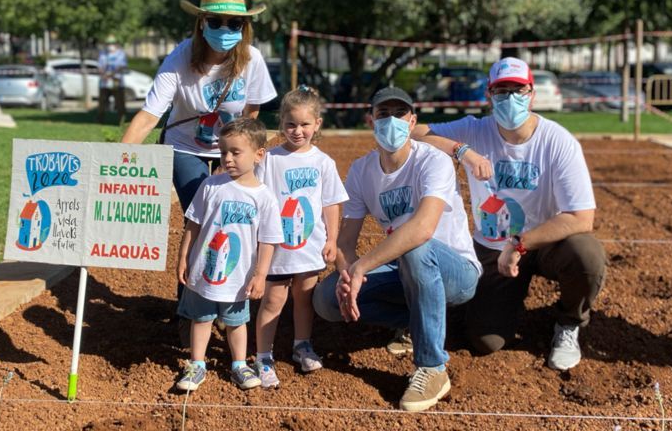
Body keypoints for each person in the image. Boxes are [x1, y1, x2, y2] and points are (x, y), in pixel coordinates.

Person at [410, 57, 605, 371]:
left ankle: (569, 322)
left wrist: (520, 243)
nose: (510, 98)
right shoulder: (475, 130)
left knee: (586, 255)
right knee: (486, 342)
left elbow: (582, 217)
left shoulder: (557, 141)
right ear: (488, 96)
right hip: (492, 246)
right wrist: (463, 151)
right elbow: (415, 134)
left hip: (544, 243)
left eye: (518, 90)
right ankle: (496, 307)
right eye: (501, 91)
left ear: (532, 94)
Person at [121, 0, 277, 335]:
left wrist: (235, 159)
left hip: (232, 149)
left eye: (234, 25)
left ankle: (227, 301)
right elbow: (149, 115)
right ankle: (192, 310)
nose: (226, 31)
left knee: (235, 216)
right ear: (202, 22)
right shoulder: (180, 58)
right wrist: (116, 157)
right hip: (184, 148)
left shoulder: (251, 59)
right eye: (217, 22)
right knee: (206, 213)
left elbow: (250, 115)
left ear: (244, 28)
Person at [313, 87, 480, 412]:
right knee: (326, 299)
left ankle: (432, 367)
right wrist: (347, 276)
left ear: (412, 120)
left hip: (456, 271)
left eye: (399, 114)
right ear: (370, 121)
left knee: (415, 248)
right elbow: (346, 241)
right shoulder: (362, 171)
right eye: (382, 114)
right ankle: (422, 321)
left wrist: (361, 268)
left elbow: (422, 229)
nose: (391, 121)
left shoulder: (433, 161)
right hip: (407, 270)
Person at [174, 117, 283, 391]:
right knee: (201, 319)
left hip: (239, 277)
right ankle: (196, 364)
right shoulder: (211, 185)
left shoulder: (264, 197)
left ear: (259, 154)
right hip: (204, 271)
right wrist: (183, 257)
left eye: (236, 152)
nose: (228, 158)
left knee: (236, 322)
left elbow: (268, 241)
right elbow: (193, 225)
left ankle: (238, 365)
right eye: (224, 152)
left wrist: (260, 275)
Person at [254, 86, 348, 388]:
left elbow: (331, 203)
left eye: (305, 125)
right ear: (281, 122)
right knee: (273, 299)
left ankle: (302, 345)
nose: (297, 131)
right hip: (277, 247)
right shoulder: (269, 159)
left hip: (310, 244)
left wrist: (332, 238)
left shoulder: (323, 162)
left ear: (317, 125)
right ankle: (263, 356)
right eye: (291, 124)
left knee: (304, 297)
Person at [97, 35, 128, 124]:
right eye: (108, 43)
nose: (110, 45)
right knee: (102, 103)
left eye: (112, 43)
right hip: (104, 82)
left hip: (117, 81)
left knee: (119, 102)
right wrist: (103, 74)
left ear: (116, 44)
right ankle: (100, 121)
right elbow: (99, 66)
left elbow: (122, 66)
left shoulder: (120, 54)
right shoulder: (102, 54)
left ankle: (122, 120)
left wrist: (111, 74)